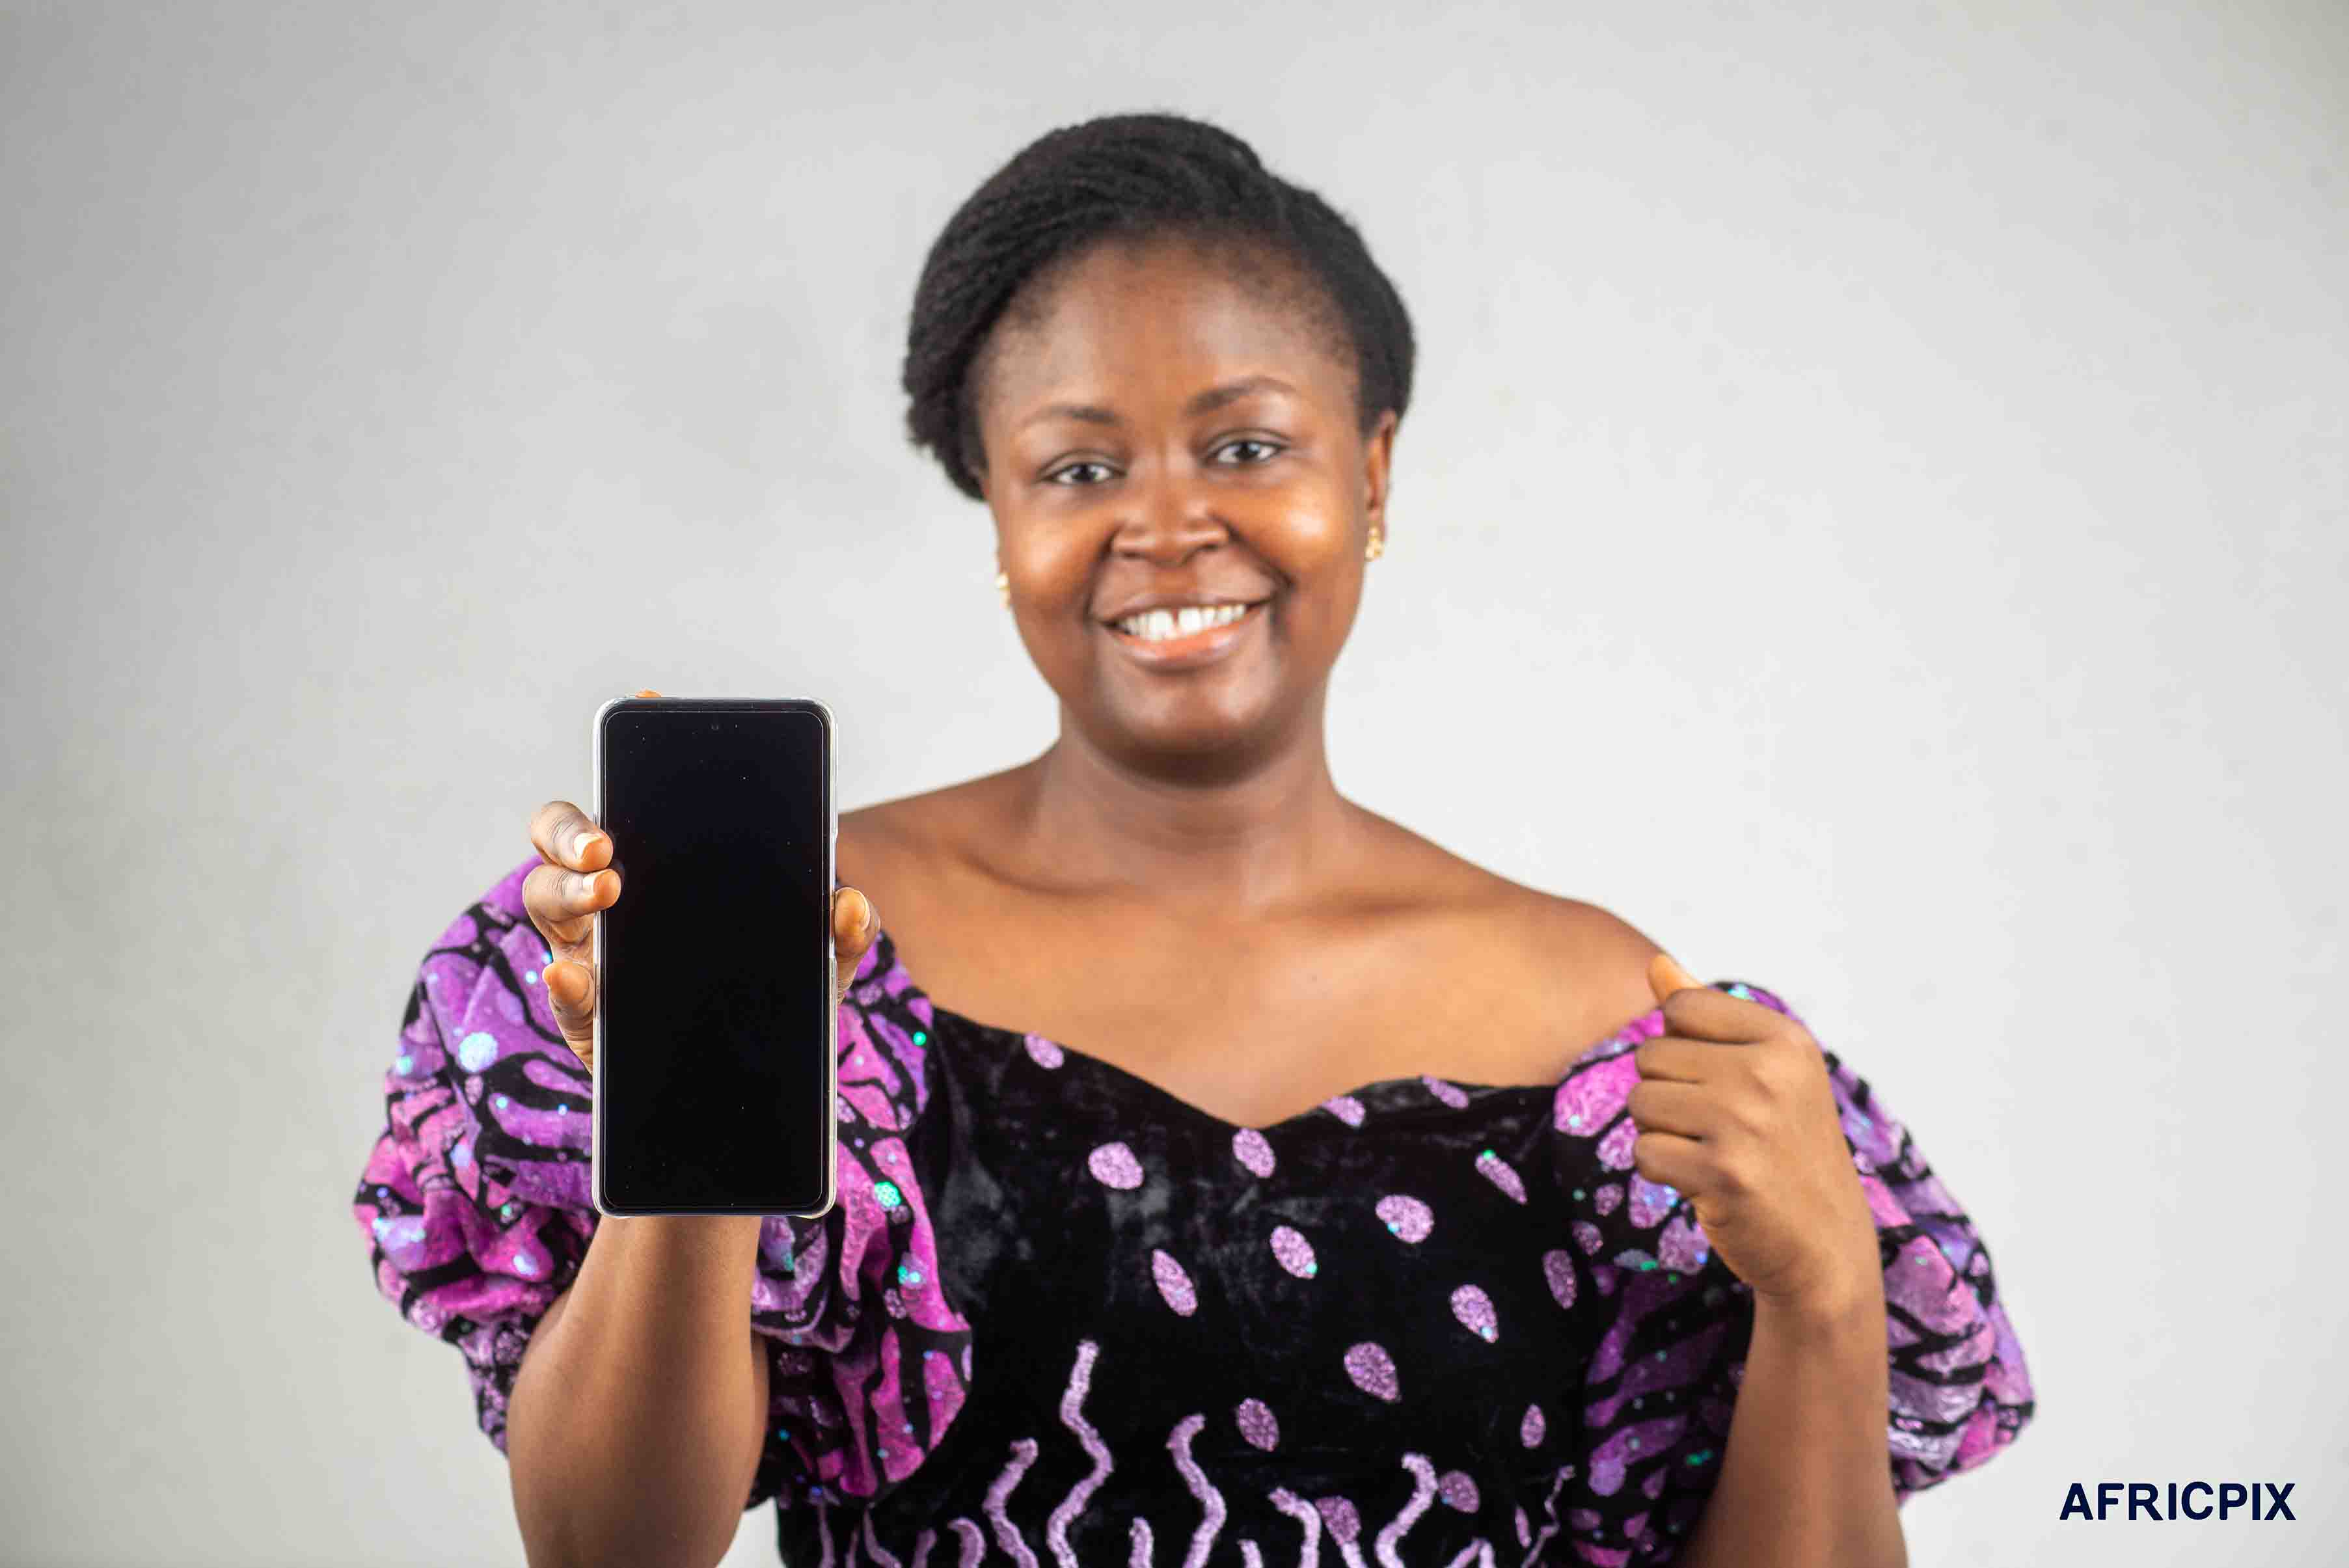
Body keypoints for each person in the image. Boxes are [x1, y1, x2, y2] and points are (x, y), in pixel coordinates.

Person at [353, 111, 2035, 1568]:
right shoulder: (817, 942)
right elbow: (605, 1545)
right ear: (997, 520)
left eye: (1244, 444)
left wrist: (1821, 1297)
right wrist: (693, 1134)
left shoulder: (1604, 1012)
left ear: (1370, 473)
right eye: (1075, 465)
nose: (1165, 522)